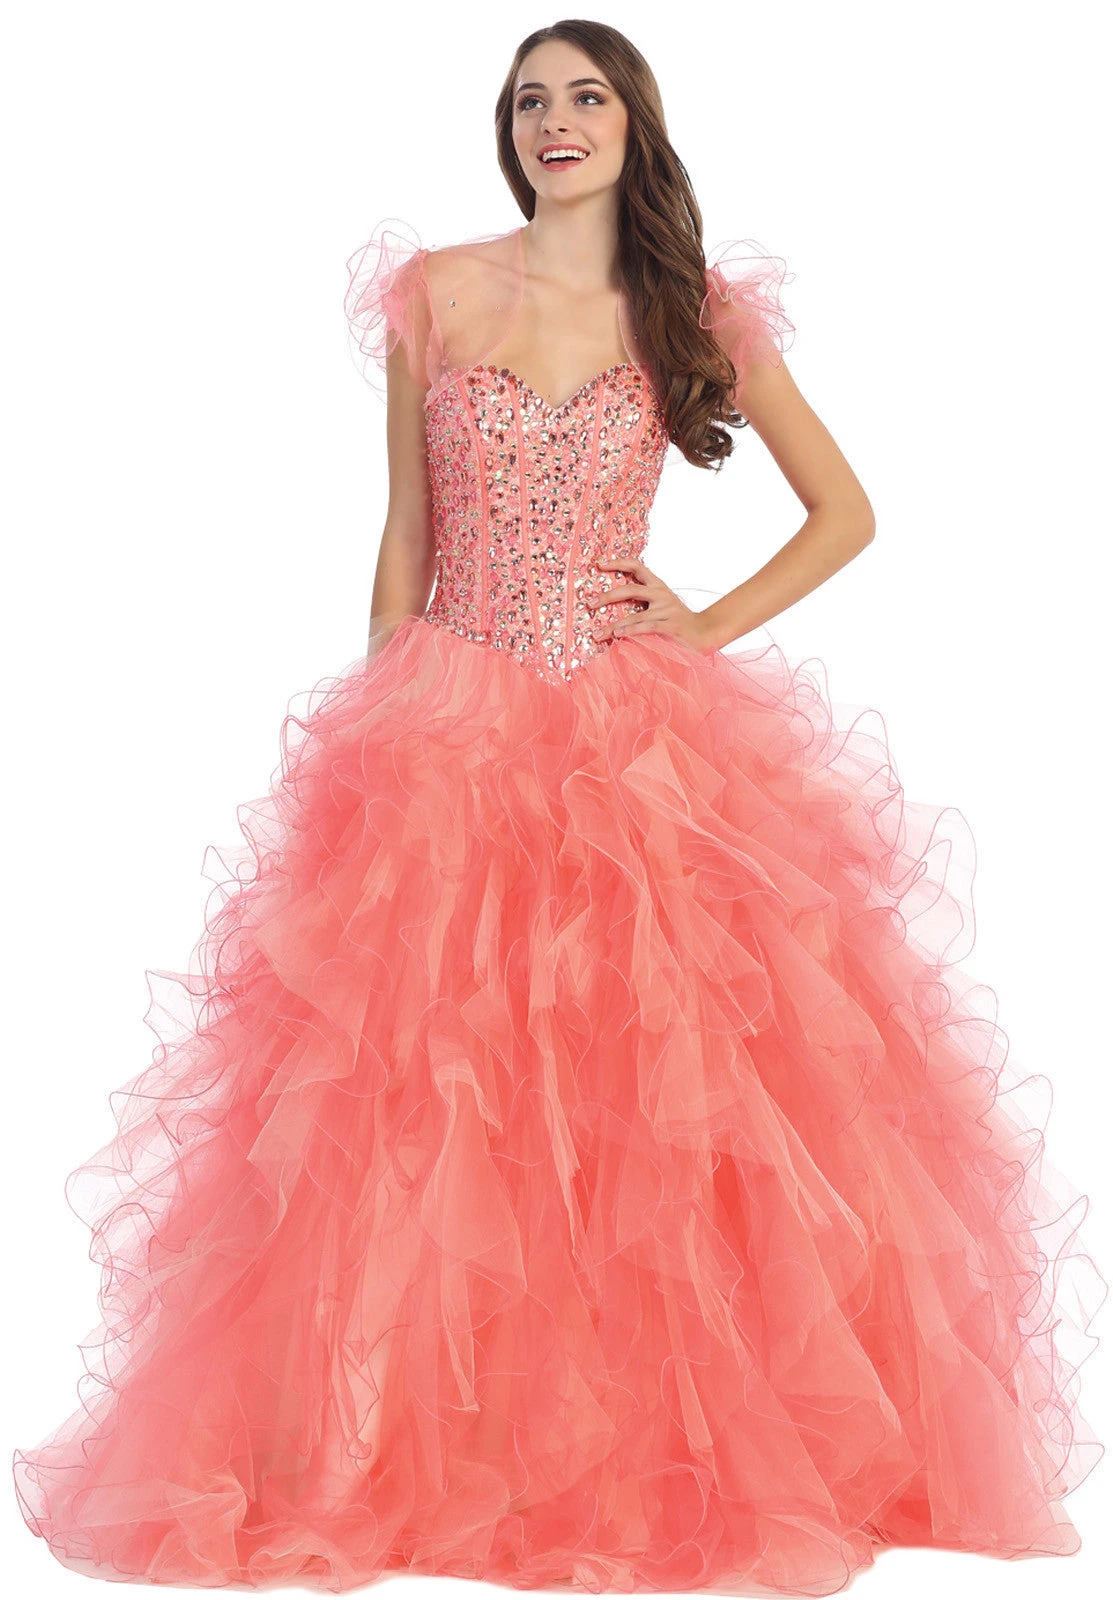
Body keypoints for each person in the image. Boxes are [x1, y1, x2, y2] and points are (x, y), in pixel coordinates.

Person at [12, 18, 1106, 1597]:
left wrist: (703, 627)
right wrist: (370, 732)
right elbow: (404, 535)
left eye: (586, 95)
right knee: (425, 1101)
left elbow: (847, 511)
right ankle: (410, 1451)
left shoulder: (689, 308)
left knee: (652, 1098)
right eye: (530, 100)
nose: (555, 119)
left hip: (630, 740)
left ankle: (638, 1455)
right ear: (508, 131)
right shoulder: (437, 294)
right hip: (446, 725)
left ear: (633, 124)